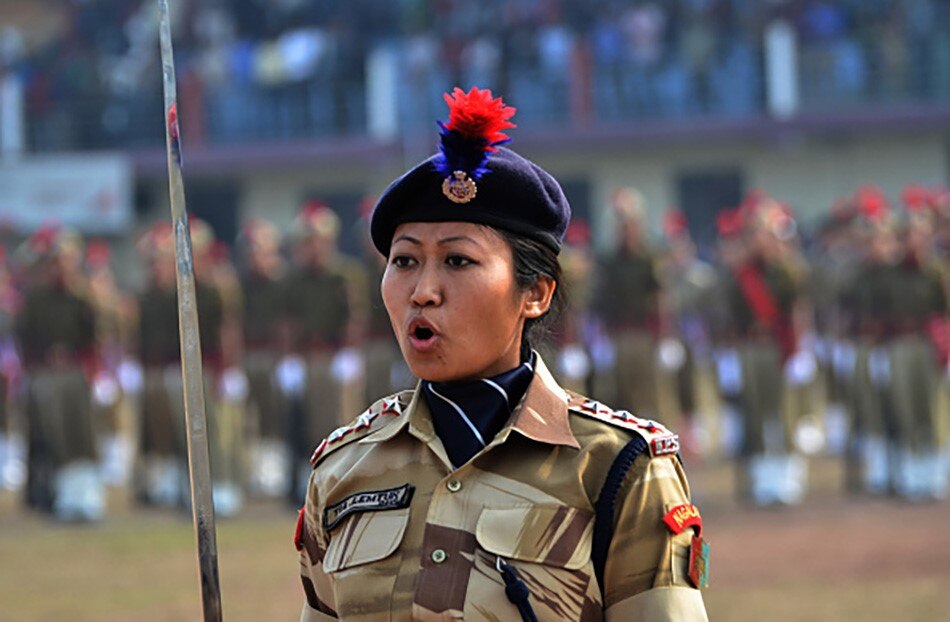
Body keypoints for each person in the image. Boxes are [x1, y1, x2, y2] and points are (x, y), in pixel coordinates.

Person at [296, 87, 708, 621]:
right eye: (403, 261)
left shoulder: (618, 469)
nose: (422, 290)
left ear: (535, 293)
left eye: (459, 261)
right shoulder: (344, 471)